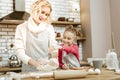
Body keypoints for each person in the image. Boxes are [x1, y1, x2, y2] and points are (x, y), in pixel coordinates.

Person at [15, 0, 58, 72]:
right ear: (34, 10)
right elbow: (19, 52)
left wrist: (54, 59)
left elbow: (53, 47)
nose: (44, 16)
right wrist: (37, 64)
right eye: (42, 12)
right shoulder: (21, 28)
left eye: (47, 14)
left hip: (46, 70)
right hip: (28, 71)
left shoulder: (49, 28)